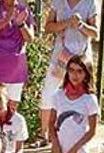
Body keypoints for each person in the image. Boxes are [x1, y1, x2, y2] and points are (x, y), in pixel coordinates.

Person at [38, 0, 97, 145]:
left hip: (82, 61)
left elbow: (95, 33)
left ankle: (83, 133)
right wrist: (66, 23)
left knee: (83, 95)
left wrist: (81, 25)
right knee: (48, 94)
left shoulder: (90, 3)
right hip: (60, 57)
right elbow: (48, 27)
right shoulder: (58, 2)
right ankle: (44, 135)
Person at [0, 0, 34, 111]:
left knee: (11, 114)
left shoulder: (24, 8)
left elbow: (30, 38)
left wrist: (21, 25)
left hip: (16, 71)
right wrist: (5, 20)